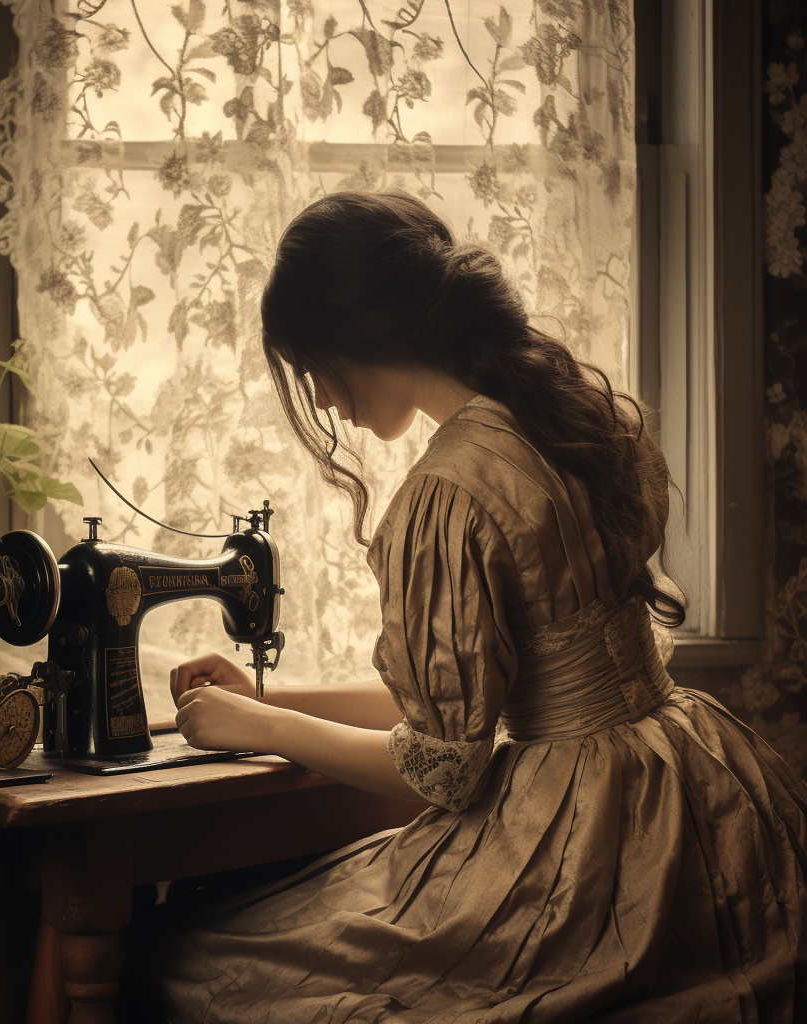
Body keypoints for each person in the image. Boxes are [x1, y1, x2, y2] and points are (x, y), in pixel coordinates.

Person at [151, 190, 807, 1022]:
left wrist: (267, 732)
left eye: (311, 367)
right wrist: (271, 700)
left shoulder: (447, 494)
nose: (320, 401)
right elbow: (486, 700)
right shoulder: (582, 417)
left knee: (192, 961)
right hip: (689, 778)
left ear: (352, 342)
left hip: (581, 842)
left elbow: (444, 767)